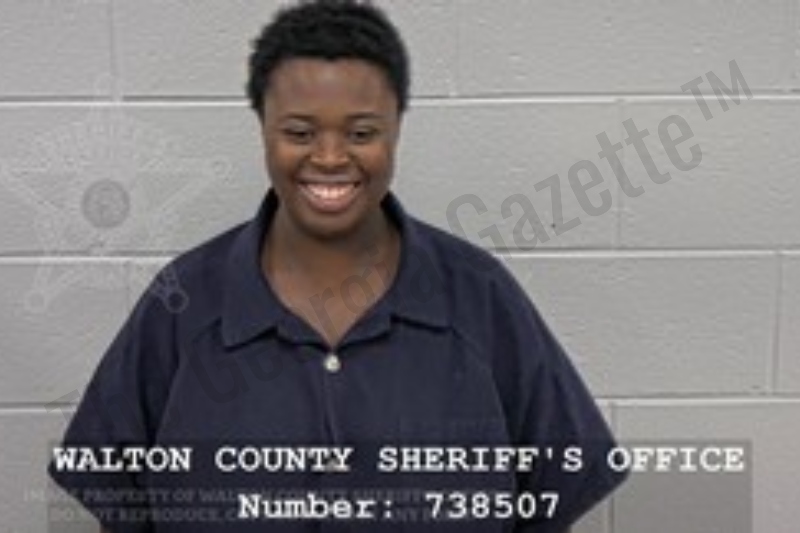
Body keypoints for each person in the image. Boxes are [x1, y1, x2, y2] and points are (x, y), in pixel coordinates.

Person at [48, 1, 627, 532]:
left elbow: (555, 491)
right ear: (263, 129)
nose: (329, 157)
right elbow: (114, 496)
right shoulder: (184, 303)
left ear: (397, 128)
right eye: (299, 132)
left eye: (361, 132)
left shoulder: (480, 297)